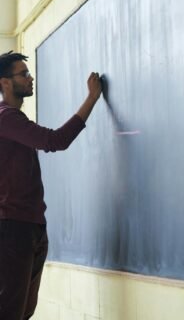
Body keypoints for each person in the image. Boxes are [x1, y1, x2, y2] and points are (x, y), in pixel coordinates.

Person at [0, 50, 102, 320]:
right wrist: (91, 99)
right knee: (10, 312)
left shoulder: (13, 120)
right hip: (12, 228)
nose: (30, 78)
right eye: (24, 74)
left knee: (22, 312)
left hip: (31, 226)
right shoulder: (5, 118)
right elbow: (55, 141)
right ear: (5, 83)